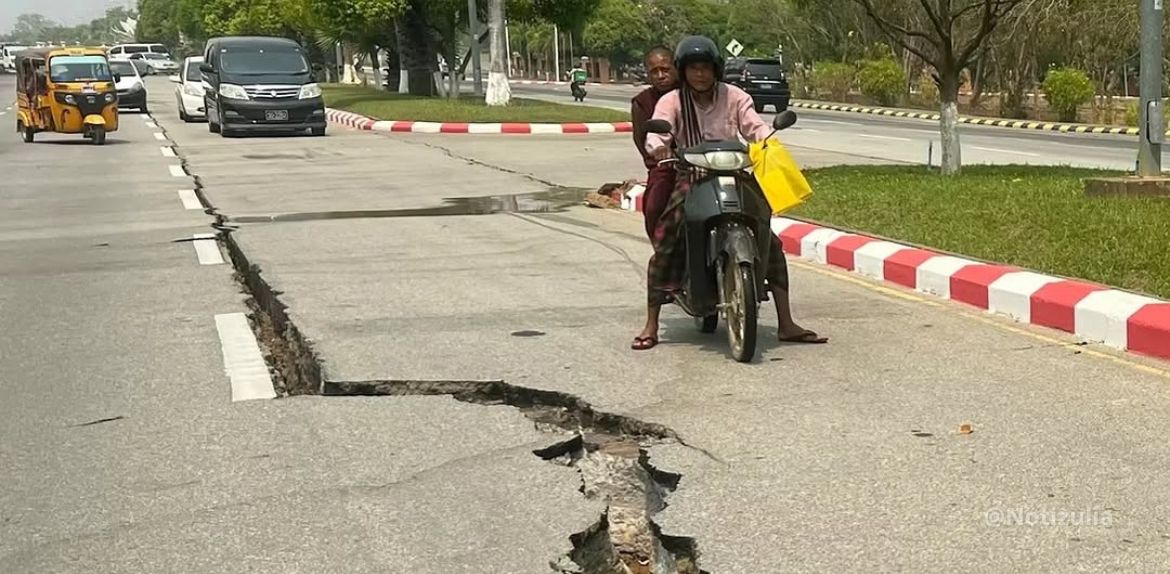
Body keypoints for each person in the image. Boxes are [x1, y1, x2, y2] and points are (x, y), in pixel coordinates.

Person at [632, 35, 827, 351]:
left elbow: (754, 127)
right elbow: (660, 129)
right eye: (693, 69)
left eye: (706, 68)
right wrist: (659, 148)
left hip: (734, 172)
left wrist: (768, 141)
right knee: (669, 233)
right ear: (683, 71)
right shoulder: (672, 101)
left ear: (716, 69)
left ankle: (787, 322)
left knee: (768, 236)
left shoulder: (735, 96)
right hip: (692, 175)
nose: (700, 75)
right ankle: (651, 323)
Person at [631, 46, 679, 239]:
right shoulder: (642, 102)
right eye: (654, 72)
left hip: (704, 163)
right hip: (666, 166)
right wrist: (659, 154)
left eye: (665, 69)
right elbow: (641, 139)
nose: (660, 75)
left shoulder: (694, 92)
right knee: (654, 206)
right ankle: (662, 253)